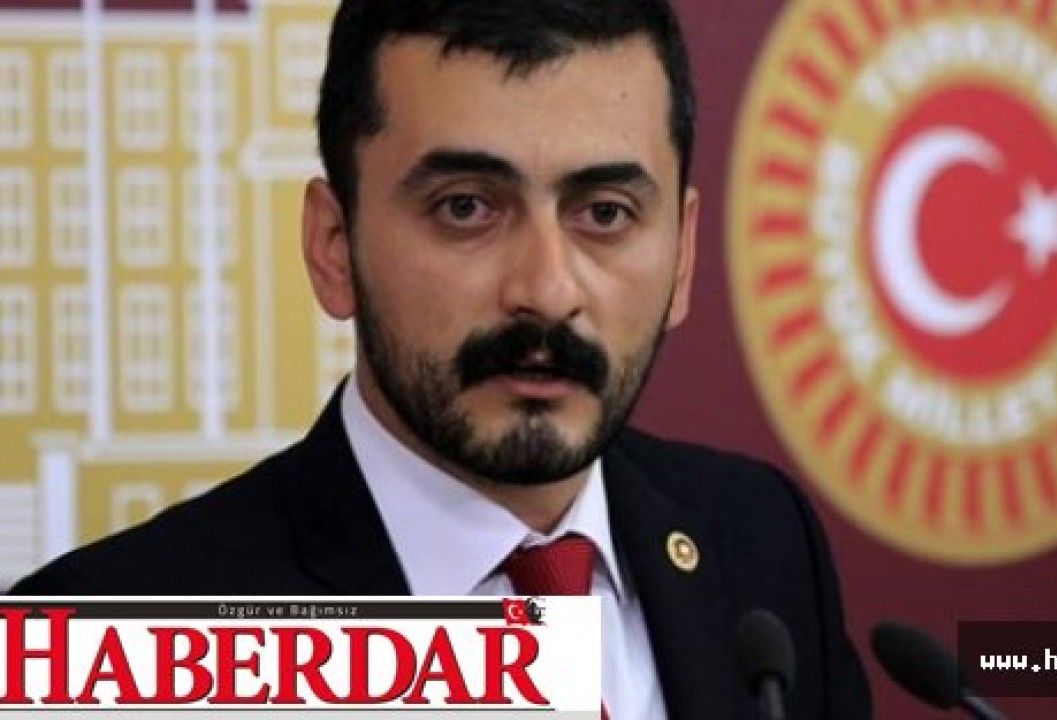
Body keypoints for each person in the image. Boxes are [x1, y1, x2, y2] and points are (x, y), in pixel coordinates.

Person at [11, 1, 872, 717]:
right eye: (466, 208)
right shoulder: (106, 644)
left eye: (605, 213)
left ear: (682, 256)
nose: (546, 290)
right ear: (334, 247)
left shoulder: (759, 541)